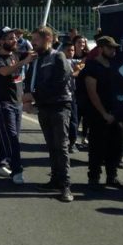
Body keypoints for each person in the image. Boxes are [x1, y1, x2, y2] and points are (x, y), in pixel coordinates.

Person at [23, 27, 74, 202]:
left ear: (48, 39)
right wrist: (28, 98)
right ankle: (55, 179)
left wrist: (34, 95)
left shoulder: (57, 56)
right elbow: (30, 80)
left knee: (61, 145)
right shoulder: (36, 60)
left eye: (36, 39)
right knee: (51, 145)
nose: (33, 42)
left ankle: (65, 185)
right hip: (44, 107)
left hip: (59, 105)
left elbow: (61, 81)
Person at [82, 36, 123, 190]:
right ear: (100, 49)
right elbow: (91, 92)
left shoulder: (115, 65)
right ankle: (94, 177)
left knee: (115, 146)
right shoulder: (92, 66)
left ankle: (112, 177)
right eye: (110, 48)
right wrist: (104, 113)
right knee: (97, 146)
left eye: (114, 47)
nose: (113, 50)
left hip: (116, 113)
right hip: (97, 114)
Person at [0, 27, 36, 185]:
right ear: (1, 42)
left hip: (16, 103)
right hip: (3, 104)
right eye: (10, 38)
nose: (15, 40)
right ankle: (17, 170)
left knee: (10, 136)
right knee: (12, 138)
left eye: (15, 37)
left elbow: (33, 54)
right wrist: (23, 62)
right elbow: (4, 71)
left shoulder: (16, 54)